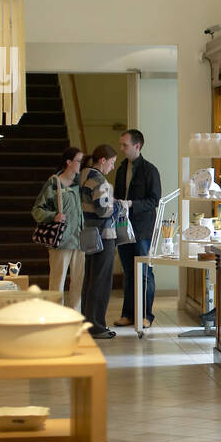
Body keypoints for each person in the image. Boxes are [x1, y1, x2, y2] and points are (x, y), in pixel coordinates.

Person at [113, 128, 161, 326]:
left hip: (143, 229)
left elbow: (154, 200)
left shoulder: (150, 170)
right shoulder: (122, 169)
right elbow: (117, 195)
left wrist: (132, 204)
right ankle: (128, 314)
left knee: (144, 273)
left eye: (125, 145)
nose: (122, 148)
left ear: (137, 146)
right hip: (123, 227)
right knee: (128, 272)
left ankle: (146, 315)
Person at [31, 147, 85, 312]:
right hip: (61, 240)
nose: (81, 164)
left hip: (80, 239)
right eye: (79, 160)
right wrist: (53, 216)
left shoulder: (80, 184)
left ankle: (76, 314)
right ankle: (56, 314)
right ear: (69, 162)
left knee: (79, 280)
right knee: (58, 279)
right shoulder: (54, 183)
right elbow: (37, 210)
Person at [79, 144, 118, 339]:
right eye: (111, 163)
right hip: (103, 235)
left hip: (89, 233)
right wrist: (117, 206)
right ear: (102, 160)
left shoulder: (83, 175)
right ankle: (97, 325)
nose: (112, 167)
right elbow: (104, 210)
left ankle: (88, 321)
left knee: (91, 279)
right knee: (101, 281)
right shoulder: (97, 178)